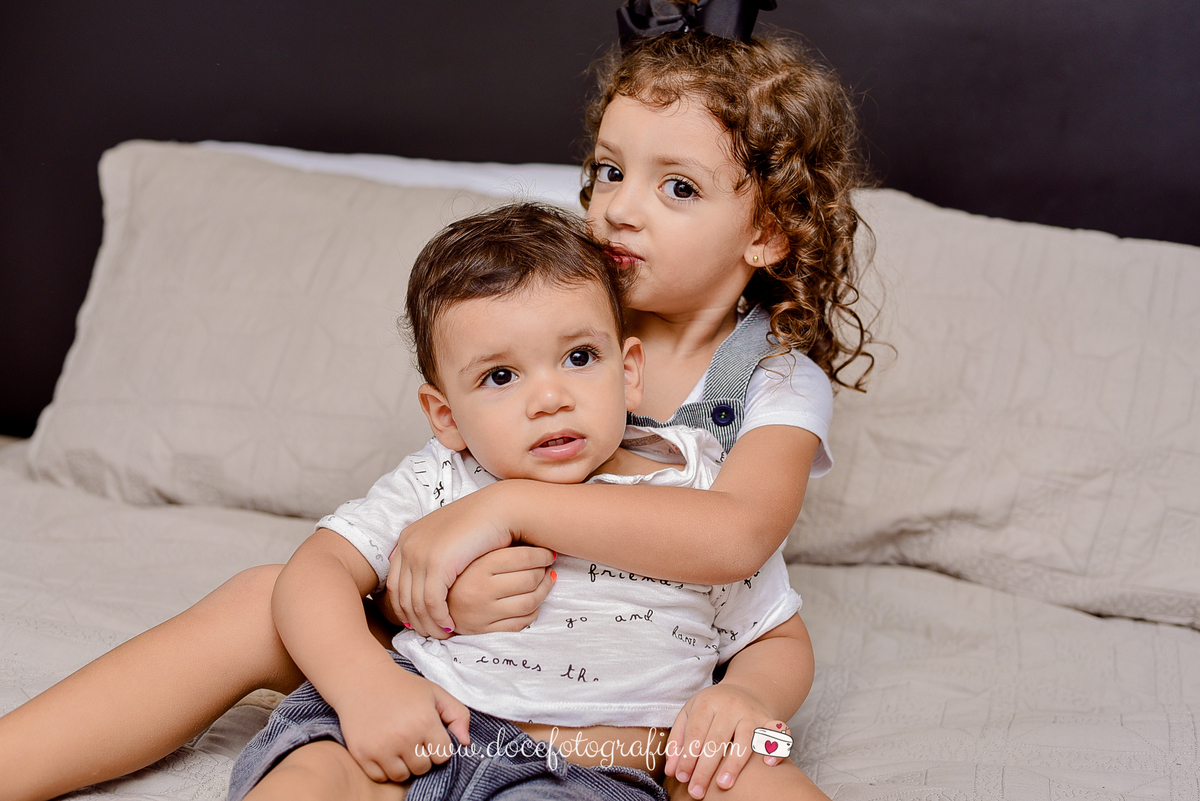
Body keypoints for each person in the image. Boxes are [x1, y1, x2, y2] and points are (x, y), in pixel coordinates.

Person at [0, 4, 875, 800]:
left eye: (676, 187)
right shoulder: (548, 298)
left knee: (751, 761)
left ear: (768, 230)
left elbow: (734, 539)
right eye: (609, 171)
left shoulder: (768, 378)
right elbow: (401, 536)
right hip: (452, 658)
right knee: (265, 597)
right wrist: (417, 608)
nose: (619, 211)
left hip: (627, 704)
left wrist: (507, 508)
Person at [231, 201, 822, 801]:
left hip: (585, 774)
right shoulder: (445, 477)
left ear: (629, 372)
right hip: (419, 719)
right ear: (445, 416)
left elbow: (775, 637)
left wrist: (747, 693)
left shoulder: (694, 490)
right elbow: (318, 570)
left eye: (579, 358)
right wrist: (364, 683)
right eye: (501, 376)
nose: (549, 398)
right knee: (312, 778)